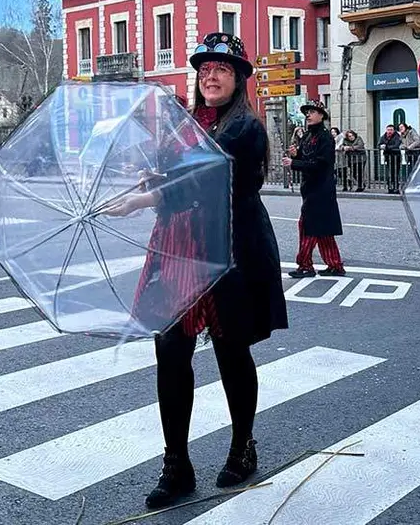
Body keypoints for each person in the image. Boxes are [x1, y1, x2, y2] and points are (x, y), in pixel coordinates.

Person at [106, 32, 286, 509]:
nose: (210, 75)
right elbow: (184, 172)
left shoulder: (244, 129)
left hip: (228, 249)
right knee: (170, 352)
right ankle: (176, 463)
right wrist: (157, 177)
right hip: (179, 249)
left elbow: (209, 180)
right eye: (204, 68)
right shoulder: (188, 124)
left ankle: (242, 445)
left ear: (240, 79)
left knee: (231, 353)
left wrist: (151, 196)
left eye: (222, 69)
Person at [284, 102, 345, 278]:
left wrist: (294, 163)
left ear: (321, 115)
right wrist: (296, 155)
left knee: (307, 226)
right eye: (307, 113)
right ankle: (335, 265)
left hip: (321, 189)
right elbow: (306, 158)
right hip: (310, 188)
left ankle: (305, 265)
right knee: (322, 230)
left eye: (311, 112)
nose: (308, 115)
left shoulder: (325, 138)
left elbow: (320, 164)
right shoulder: (308, 136)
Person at [379, 124, 403, 194]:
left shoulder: (397, 136)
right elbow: (379, 144)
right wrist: (381, 146)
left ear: (394, 130)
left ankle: (396, 188)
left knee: (395, 173)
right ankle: (390, 187)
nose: (389, 131)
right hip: (388, 157)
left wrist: (386, 147)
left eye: (391, 130)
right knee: (390, 173)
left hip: (396, 157)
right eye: (388, 130)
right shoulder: (384, 136)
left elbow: (396, 145)